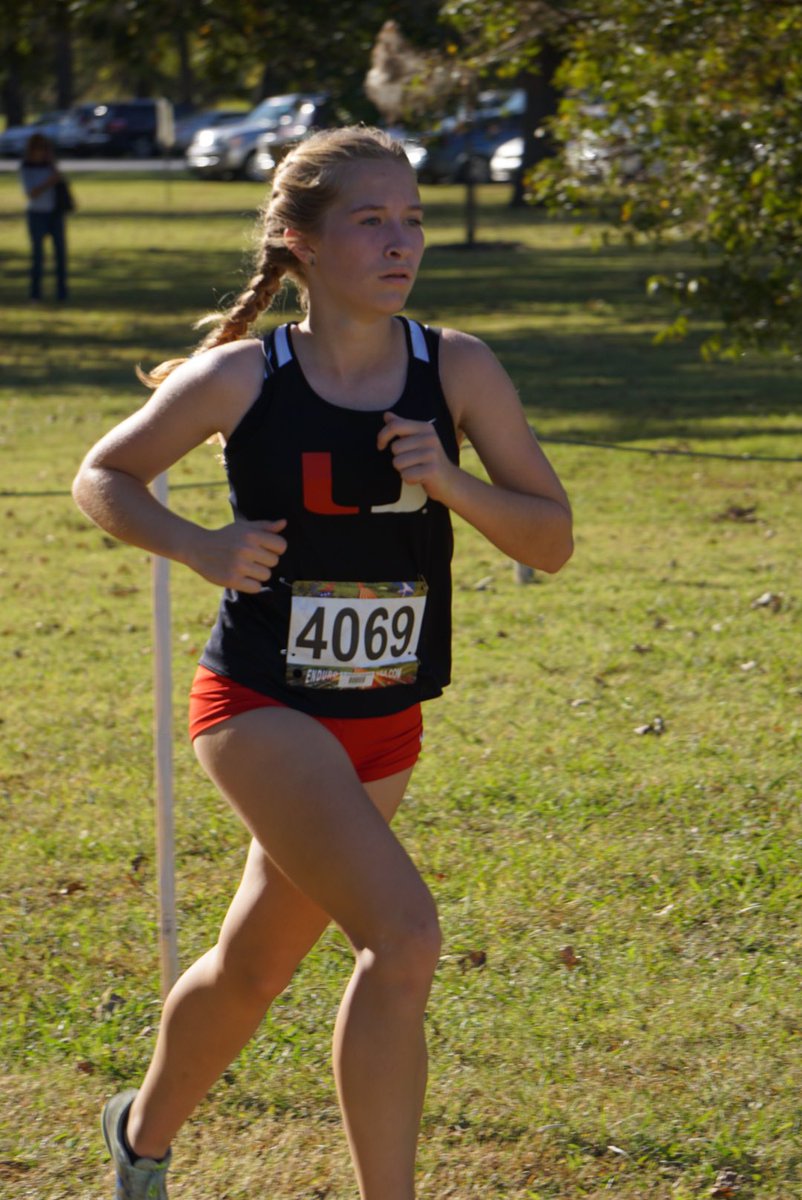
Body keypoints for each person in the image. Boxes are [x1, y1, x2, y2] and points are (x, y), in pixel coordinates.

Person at [72, 125, 573, 1200]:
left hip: (387, 719)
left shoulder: (461, 367)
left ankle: (140, 1135)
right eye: (370, 220)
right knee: (403, 939)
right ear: (297, 243)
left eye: (414, 220)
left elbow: (550, 539)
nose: (402, 242)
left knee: (255, 966)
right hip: (258, 708)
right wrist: (198, 545)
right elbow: (104, 476)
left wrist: (453, 482)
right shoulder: (242, 376)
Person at [20, 132, 70, 302]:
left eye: (45, 149)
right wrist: (49, 182)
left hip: (55, 213)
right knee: (38, 256)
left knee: (60, 255)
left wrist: (52, 165)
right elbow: (31, 193)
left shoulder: (50, 166)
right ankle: (36, 293)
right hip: (37, 214)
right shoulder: (26, 167)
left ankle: (62, 292)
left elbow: (62, 184)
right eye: (39, 149)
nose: (41, 153)